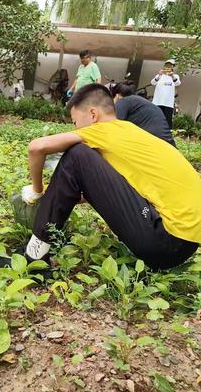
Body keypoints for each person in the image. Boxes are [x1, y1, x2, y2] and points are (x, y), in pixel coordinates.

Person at [13, 83, 200, 271]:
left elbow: (36, 147)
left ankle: (33, 257)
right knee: (80, 158)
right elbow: (116, 187)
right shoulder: (130, 132)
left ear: (93, 115)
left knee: (77, 154)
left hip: (165, 238)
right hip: (184, 243)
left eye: (75, 122)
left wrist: (37, 191)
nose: (76, 128)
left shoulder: (103, 131)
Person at [113, 81, 176, 146]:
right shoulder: (142, 103)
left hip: (153, 144)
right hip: (169, 146)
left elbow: (115, 126)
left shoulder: (123, 101)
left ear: (117, 96)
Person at [151, 59, 181, 129]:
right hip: (157, 102)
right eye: (167, 65)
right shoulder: (160, 75)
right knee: (155, 119)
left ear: (173, 67)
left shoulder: (175, 76)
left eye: (170, 65)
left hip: (168, 103)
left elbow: (178, 83)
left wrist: (172, 76)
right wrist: (159, 75)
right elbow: (152, 82)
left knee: (167, 121)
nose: (168, 67)